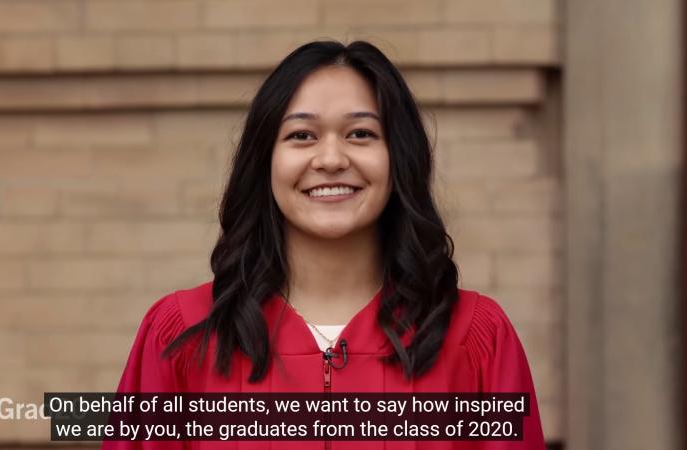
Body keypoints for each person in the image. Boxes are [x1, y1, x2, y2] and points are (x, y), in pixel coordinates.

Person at [102, 40, 545, 449]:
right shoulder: (181, 334)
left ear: (399, 160)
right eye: (301, 136)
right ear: (265, 162)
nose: (331, 159)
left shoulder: (474, 337)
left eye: (361, 134)